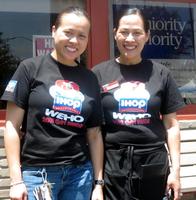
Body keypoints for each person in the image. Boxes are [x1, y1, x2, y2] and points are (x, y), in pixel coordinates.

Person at [1, 6, 104, 200]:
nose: (74, 41)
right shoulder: (29, 68)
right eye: (68, 32)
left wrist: (98, 184)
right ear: (54, 30)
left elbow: (95, 134)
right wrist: (16, 180)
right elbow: (12, 126)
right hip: (38, 174)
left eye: (82, 36)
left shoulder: (90, 78)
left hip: (79, 174)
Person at [92, 7, 185, 200]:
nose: (130, 39)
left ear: (147, 36)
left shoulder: (161, 74)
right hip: (113, 164)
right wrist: (98, 182)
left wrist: (175, 171)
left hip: (152, 162)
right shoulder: (99, 74)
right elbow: (94, 131)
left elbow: (171, 125)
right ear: (114, 33)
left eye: (137, 33)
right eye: (124, 32)